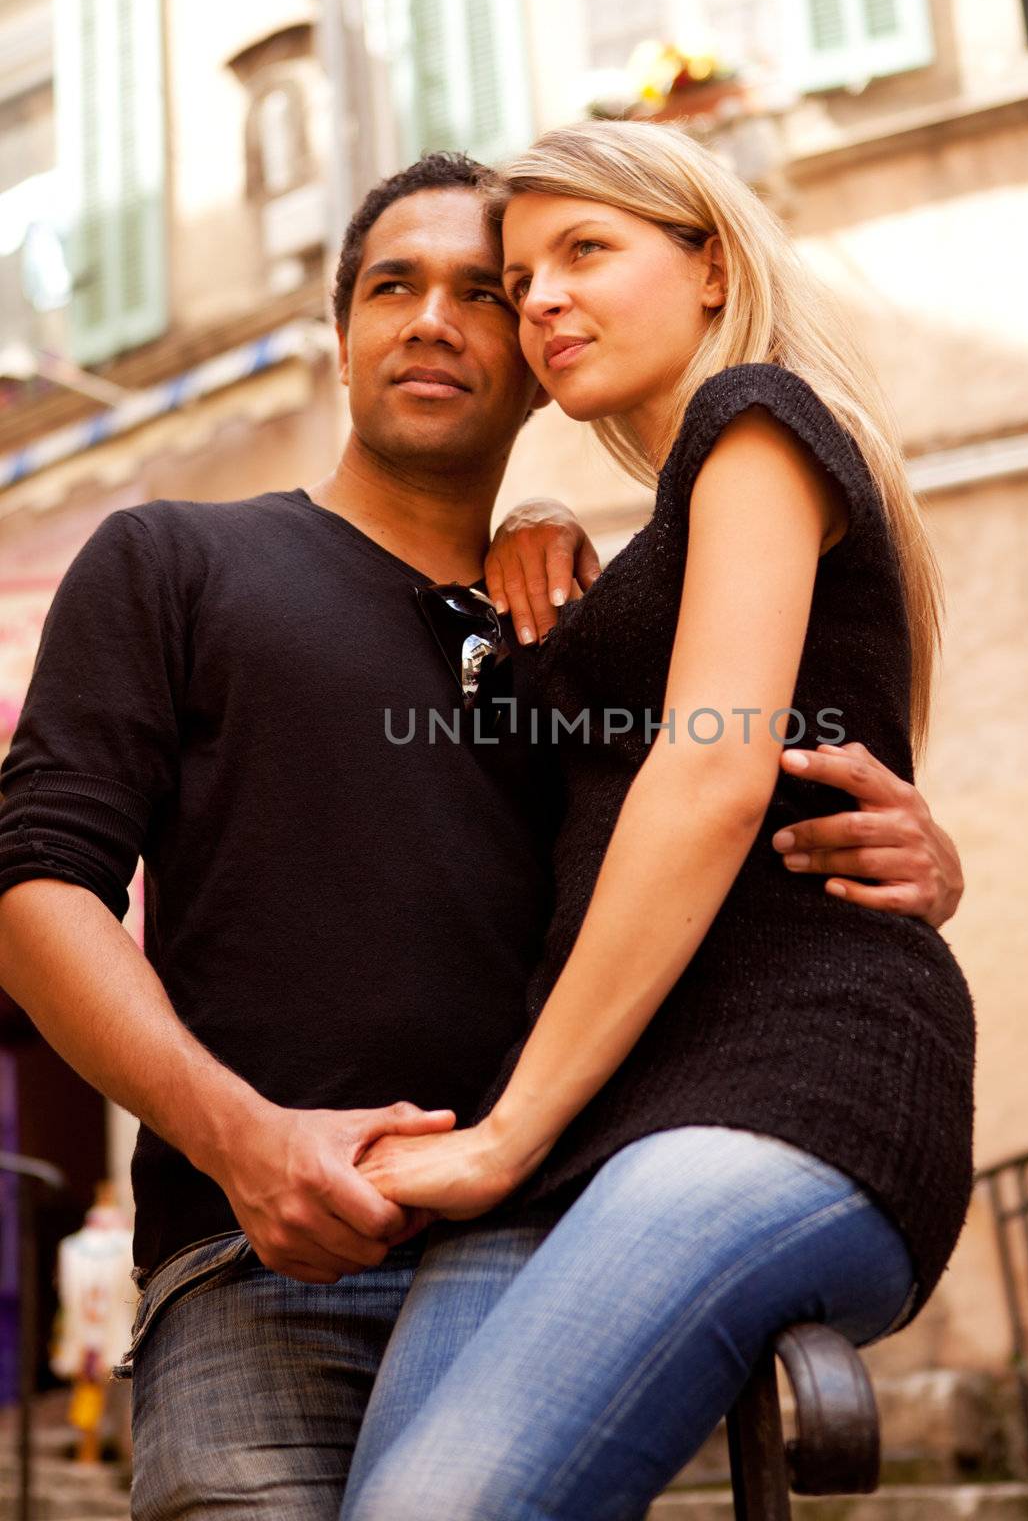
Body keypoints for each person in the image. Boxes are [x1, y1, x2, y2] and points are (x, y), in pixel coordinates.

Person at [0, 152, 964, 1520]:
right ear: (339, 337)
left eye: (489, 291)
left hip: (554, 1223)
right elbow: (32, 887)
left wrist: (921, 855)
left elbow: (720, 798)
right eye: (394, 285)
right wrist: (241, 1139)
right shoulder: (173, 560)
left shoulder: (590, 627)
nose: (442, 317)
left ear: (534, 364)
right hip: (252, 1262)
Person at [339, 122, 977, 1521]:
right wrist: (543, 520)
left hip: (783, 1080)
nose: (543, 300)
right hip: (603, 1108)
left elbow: (710, 777)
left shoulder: (756, 415)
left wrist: (504, 1136)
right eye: (523, 279)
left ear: (706, 264)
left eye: (586, 251)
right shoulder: (653, 523)